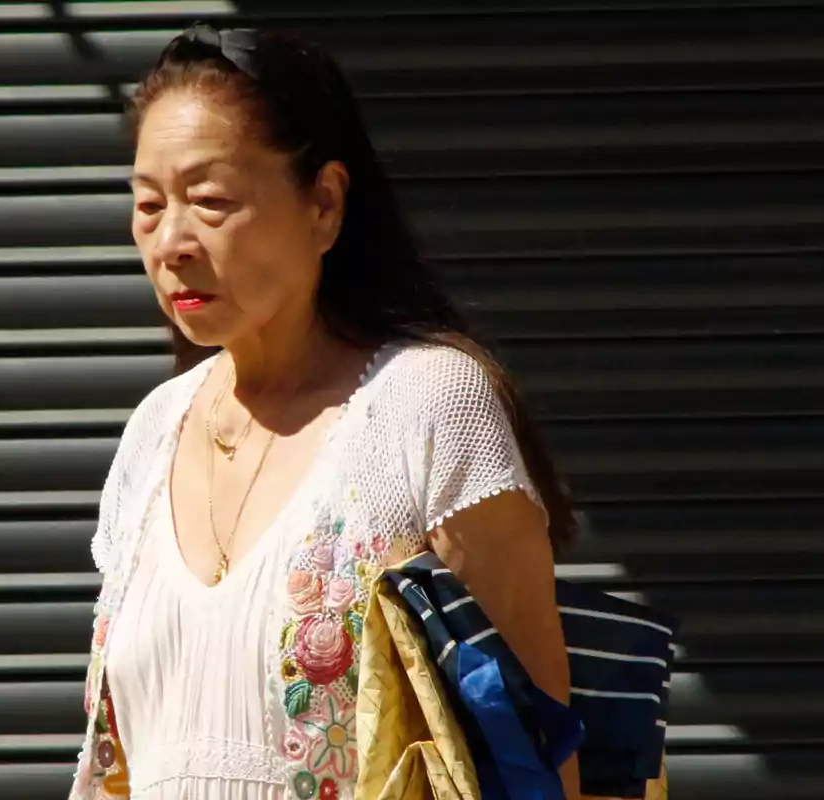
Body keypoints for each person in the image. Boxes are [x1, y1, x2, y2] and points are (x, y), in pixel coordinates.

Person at [70, 24, 580, 800]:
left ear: (325, 203)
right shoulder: (153, 432)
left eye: (211, 201)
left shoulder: (427, 407)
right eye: (147, 206)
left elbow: (534, 760)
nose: (170, 240)